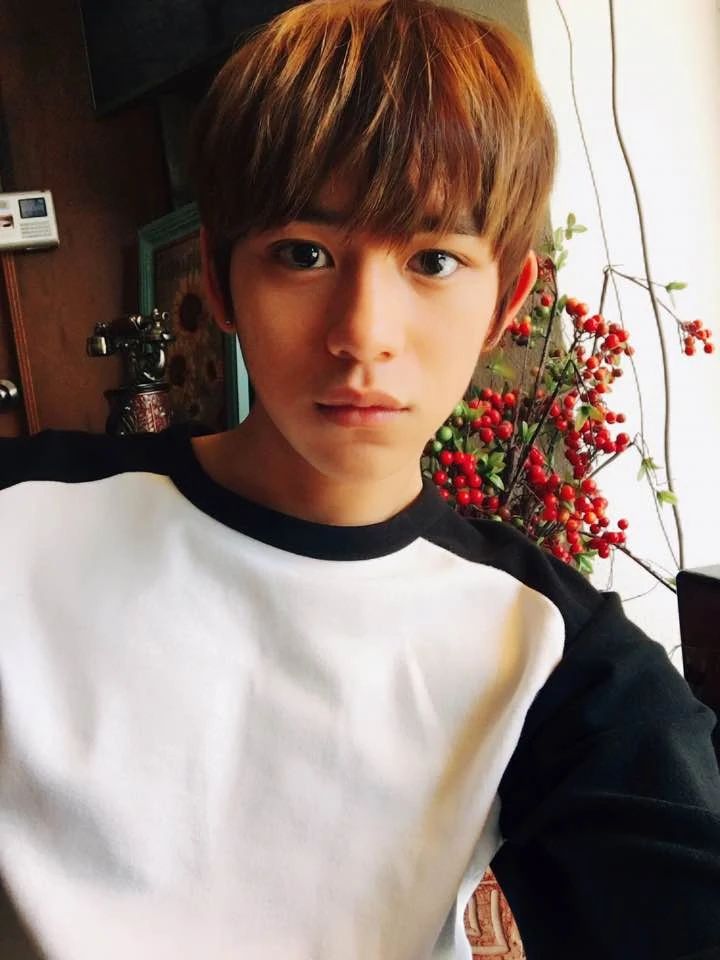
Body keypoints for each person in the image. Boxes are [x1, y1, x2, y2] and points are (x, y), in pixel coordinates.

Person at [1, 1, 719, 958]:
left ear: (505, 300)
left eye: (433, 260)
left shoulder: (555, 655)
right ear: (217, 278)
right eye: (304, 254)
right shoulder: (25, 519)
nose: (364, 333)